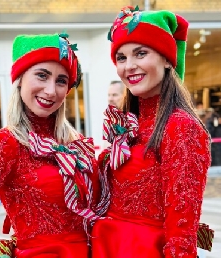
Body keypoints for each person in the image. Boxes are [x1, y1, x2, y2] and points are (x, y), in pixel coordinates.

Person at [0, 33, 100, 257]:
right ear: (20, 79)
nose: (50, 90)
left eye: (61, 81)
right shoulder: (5, 143)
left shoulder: (75, 144)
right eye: (41, 76)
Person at [91, 5, 211, 258]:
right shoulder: (127, 122)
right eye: (121, 58)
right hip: (107, 246)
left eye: (141, 53)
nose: (129, 66)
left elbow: (182, 230)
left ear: (167, 59)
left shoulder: (181, 127)